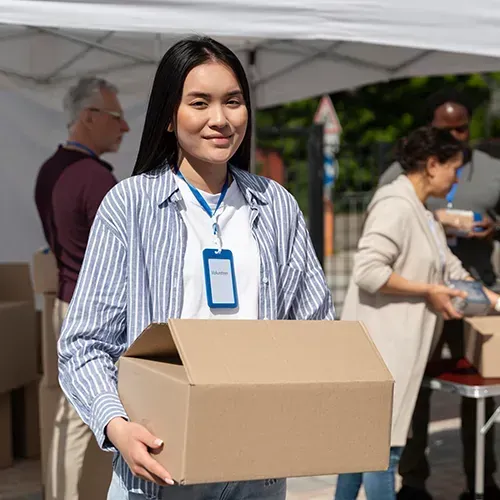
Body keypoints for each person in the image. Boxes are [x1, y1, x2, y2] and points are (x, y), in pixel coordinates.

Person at [57, 36, 334, 500]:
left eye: (233, 102)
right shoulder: (130, 206)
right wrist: (117, 427)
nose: (220, 119)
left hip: (259, 464)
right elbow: (83, 344)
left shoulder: (277, 206)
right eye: (199, 103)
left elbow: (315, 328)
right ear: (168, 114)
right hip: (161, 462)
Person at [334, 126, 500, 500]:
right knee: (383, 452)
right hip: (381, 351)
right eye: (454, 169)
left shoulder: (422, 212)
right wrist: (429, 291)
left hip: (399, 351)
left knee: (363, 448)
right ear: (431, 165)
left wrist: (493, 299)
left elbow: (451, 269)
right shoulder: (395, 205)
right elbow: (368, 271)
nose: (457, 179)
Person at [379, 90, 500, 500]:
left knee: (480, 390)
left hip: (476, 295)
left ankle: (482, 480)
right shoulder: (404, 171)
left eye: (462, 128)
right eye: (446, 130)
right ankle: (413, 480)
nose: (456, 135)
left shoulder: (491, 168)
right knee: (418, 387)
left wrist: (492, 228)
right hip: (424, 298)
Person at [34, 76, 130, 499]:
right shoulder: (95, 180)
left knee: (65, 412)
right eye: (116, 117)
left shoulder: (50, 170)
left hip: (65, 303)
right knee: (78, 415)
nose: (124, 127)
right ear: (89, 117)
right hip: (88, 312)